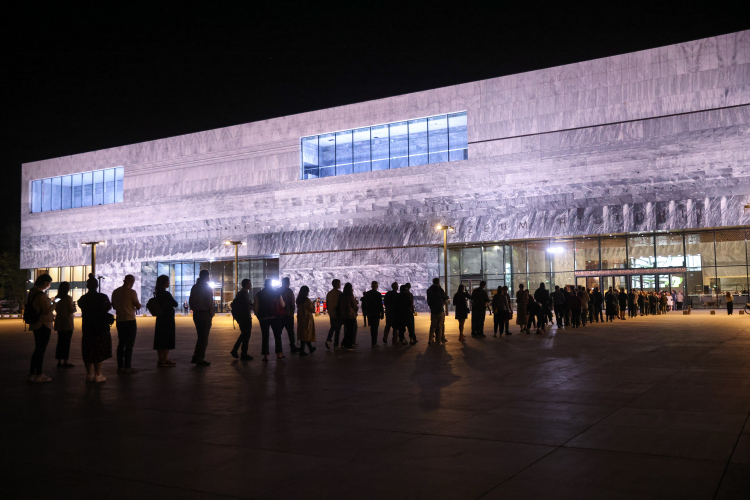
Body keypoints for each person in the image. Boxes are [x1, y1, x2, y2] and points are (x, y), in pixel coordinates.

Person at [78, 275, 113, 383]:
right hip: (101, 327)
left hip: (88, 327)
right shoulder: (102, 297)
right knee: (99, 349)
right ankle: (98, 373)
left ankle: (89, 373)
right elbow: (108, 307)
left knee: (88, 349)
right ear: (97, 285)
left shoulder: (83, 299)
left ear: (87, 286)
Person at [111, 274, 142, 374]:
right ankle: (127, 366)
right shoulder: (132, 292)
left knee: (121, 343)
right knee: (129, 344)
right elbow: (138, 306)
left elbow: (114, 307)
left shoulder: (115, 292)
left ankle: (120, 366)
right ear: (132, 282)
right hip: (130, 320)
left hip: (120, 320)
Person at [26, 273, 54, 382]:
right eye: (49, 284)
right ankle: (39, 374)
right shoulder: (41, 295)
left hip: (35, 323)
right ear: (46, 283)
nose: (49, 286)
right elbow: (47, 310)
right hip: (43, 324)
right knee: (41, 350)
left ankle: (32, 373)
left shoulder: (32, 292)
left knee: (37, 349)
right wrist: (54, 304)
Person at [254, 278, 286, 361]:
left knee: (265, 336)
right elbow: (282, 305)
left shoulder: (259, 294)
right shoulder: (277, 293)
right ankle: (279, 353)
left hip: (263, 318)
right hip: (275, 317)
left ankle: (266, 355)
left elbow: (256, 307)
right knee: (277, 335)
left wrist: (258, 315)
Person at [189, 269, 215, 366]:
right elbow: (209, 302)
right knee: (203, 338)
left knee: (200, 336)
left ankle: (196, 357)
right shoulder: (206, 287)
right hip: (204, 314)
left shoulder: (195, 287)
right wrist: (212, 312)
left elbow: (191, 300)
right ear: (206, 277)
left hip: (197, 314)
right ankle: (199, 358)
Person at [153, 274, 177, 367]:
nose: (169, 282)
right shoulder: (166, 294)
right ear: (164, 282)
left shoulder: (157, 293)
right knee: (167, 338)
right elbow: (175, 304)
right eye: (168, 280)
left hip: (160, 318)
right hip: (167, 319)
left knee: (160, 338)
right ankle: (165, 360)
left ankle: (160, 360)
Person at [53, 281, 76, 369]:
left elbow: (55, 307)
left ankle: (59, 361)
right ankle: (65, 361)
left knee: (60, 341)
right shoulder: (68, 298)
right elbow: (71, 310)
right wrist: (74, 306)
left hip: (59, 321)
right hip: (67, 322)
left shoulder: (57, 298)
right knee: (66, 342)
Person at [230, 279, 254, 360]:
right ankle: (242, 353)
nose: (251, 285)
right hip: (245, 317)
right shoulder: (245, 294)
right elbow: (246, 307)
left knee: (244, 334)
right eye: (250, 284)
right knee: (246, 335)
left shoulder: (239, 293)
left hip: (240, 317)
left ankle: (238, 351)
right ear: (246, 285)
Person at [279, 277, 300, 354]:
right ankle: (292, 347)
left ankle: (279, 349)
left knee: (278, 332)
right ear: (288, 283)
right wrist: (291, 312)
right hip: (287, 314)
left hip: (279, 315)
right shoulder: (289, 291)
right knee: (291, 332)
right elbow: (292, 303)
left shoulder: (278, 290)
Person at [426, 277, 449, 344]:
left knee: (433, 326)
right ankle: (439, 340)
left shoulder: (429, 290)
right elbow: (444, 296)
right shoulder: (439, 290)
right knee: (440, 325)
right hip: (439, 309)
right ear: (438, 282)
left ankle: (430, 339)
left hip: (433, 310)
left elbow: (429, 301)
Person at [338, 282, 359, 350]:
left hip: (344, 315)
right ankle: (348, 345)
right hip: (351, 315)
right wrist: (356, 306)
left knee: (347, 330)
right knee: (351, 331)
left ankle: (344, 344)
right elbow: (353, 305)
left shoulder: (342, 295)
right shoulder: (350, 295)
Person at [296, 286, 316, 356]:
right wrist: (313, 304)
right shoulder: (306, 300)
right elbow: (312, 309)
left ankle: (308, 349)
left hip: (301, 318)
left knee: (303, 334)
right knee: (306, 334)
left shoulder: (298, 299)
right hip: (306, 319)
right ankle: (304, 350)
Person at [364, 281, 384, 347]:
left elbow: (366, 304)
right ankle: (374, 342)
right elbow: (380, 305)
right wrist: (382, 313)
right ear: (377, 286)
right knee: (375, 328)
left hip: (370, 313)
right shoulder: (378, 294)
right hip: (376, 313)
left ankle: (373, 341)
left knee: (372, 327)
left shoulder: (367, 294)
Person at [325, 279, 342, 350]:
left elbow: (327, 304)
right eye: (339, 283)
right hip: (338, 314)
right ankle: (336, 345)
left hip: (331, 313)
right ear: (337, 284)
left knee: (333, 327)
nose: (340, 285)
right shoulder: (339, 293)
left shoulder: (329, 293)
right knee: (337, 329)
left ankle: (329, 340)